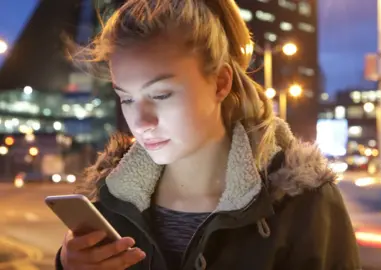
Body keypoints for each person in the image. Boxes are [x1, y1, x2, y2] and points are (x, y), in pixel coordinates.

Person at [56, 0, 360, 269]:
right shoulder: (110, 202)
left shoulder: (302, 205)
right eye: (127, 98)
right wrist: (68, 265)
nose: (142, 121)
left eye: (161, 95)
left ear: (220, 83)